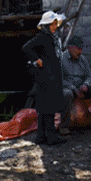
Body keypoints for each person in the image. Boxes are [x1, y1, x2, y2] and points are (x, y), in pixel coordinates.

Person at [22, 10, 67, 146]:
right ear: (47, 26)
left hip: (51, 76)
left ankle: (41, 137)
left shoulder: (52, 39)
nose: (55, 26)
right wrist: (37, 59)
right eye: (52, 24)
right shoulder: (42, 38)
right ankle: (51, 137)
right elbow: (26, 47)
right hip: (46, 77)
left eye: (55, 24)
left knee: (44, 109)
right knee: (48, 108)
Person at [59, 34, 91, 133]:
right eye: (77, 49)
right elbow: (60, 79)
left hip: (81, 87)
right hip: (68, 88)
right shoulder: (62, 59)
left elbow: (89, 76)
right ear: (70, 48)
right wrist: (73, 89)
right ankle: (64, 126)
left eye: (81, 49)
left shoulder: (83, 59)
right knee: (66, 94)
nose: (80, 51)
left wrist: (85, 85)